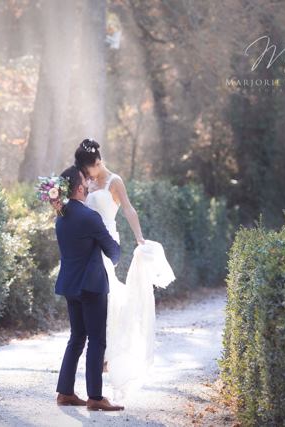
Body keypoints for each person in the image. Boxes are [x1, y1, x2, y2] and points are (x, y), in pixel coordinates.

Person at [75, 138, 176, 400]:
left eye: (89, 168)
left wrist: (139, 237)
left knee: (106, 295)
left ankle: (106, 354)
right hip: (87, 245)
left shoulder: (114, 181)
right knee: (104, 298)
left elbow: (129, 210)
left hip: (105, 243)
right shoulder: (87, 182)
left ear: (98, 162)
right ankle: (104, 353)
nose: (87, 174)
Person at [53, 165, 125, 411]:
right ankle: (95, 397)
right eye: (85, 181)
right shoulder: (89, 216)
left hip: (70, 285)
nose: (88, 185)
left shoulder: (60, 216)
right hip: (92, 285)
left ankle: (65, 392)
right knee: (96, 339)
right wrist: (117, 248)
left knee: (76, 337)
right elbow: (112, 250)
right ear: (79, 188)